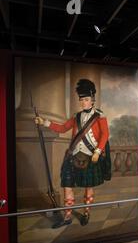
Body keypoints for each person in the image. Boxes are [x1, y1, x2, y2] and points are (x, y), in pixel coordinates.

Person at [35, 79, 111, 228]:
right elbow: (63, 128)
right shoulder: (76, 116)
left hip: (90, 156)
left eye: (86, 99)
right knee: (67, 186)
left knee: (89, 187)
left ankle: (86, 212)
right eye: (81, 100)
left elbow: (105, 135)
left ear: (92, 100)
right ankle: (68, 216)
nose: (83, 102)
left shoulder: (100, 116)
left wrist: (97, 151)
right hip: (74, 155)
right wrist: (44, 122)